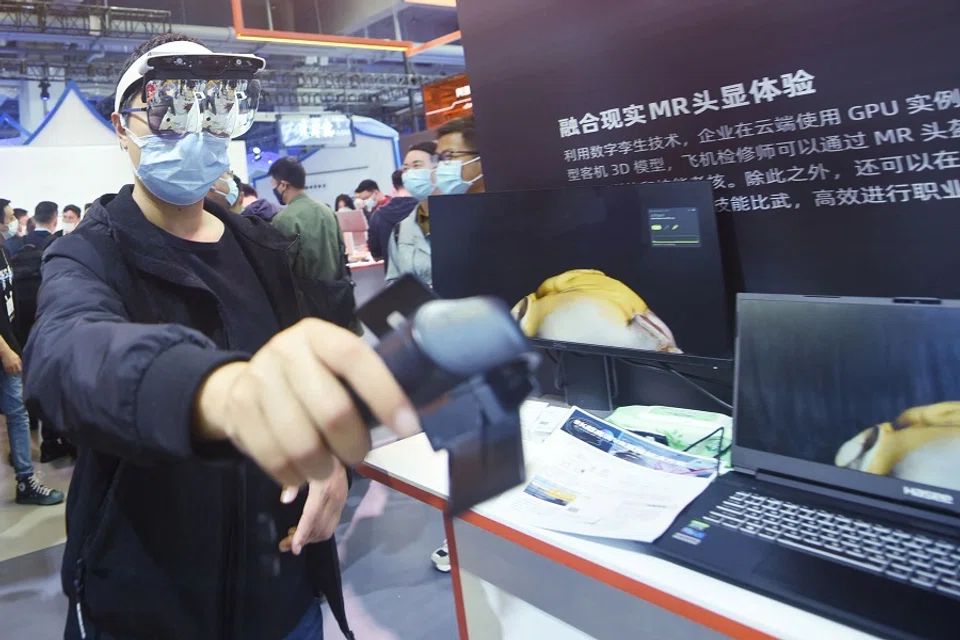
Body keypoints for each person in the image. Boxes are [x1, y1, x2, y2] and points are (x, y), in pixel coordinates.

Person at [23, 34, 417, 640]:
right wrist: (217, 391)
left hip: (285, 590)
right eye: (167, 111)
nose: (195, 132)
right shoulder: (86, 253)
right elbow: (64, 356)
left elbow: (309, 383)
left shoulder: (264, 249)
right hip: (150, 604)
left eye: (216, 110)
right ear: (120, 127)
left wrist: (330, 457)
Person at [0, 199, 65, 505]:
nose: (16, 222)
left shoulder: (3, 250)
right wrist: (6, 350)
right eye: (11, 217)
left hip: (10, 342)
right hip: (4, 349)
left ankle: (26, 479)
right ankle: (26, 480)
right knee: (17, 414)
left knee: (17, 413)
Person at [384, 116, 489, 288]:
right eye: (440, 159)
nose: (443, 166)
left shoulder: (508, 219)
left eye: (448, 157)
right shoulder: (401, 230)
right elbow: (394, 283)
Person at [269, 156, 357, 330]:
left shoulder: (283, 220)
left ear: (284, 185)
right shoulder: (327, 210)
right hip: (338, 300)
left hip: (308, 310)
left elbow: (281, 271)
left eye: (274, 186)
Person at [368, 145, 434, 267]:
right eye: (405, 168)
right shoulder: (404, 225)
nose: (410, 173)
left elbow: (376, 254)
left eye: (417, 166)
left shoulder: (379, 215)